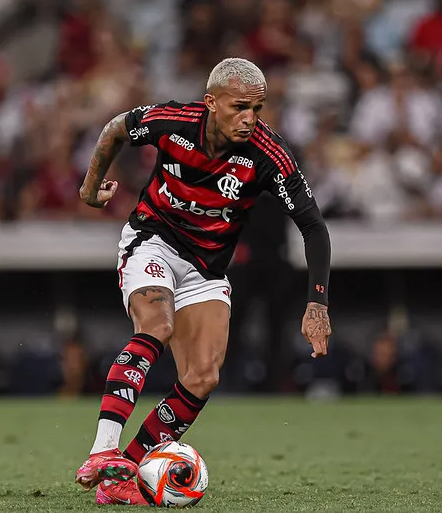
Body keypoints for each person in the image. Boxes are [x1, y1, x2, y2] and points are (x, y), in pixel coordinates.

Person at [74, 58, 332, 505]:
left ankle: (123, 474)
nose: (250, 118)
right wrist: (89, 187)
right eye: (239, 107)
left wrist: (317, 304)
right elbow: (117, 127)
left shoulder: (269, 155)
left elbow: (314, 227)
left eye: (257, 108)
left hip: (206, 268)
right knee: (157, 326)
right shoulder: (174, 121)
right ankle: (103, 451)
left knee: (203, 377)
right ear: (211, 102)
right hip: (152, 241)